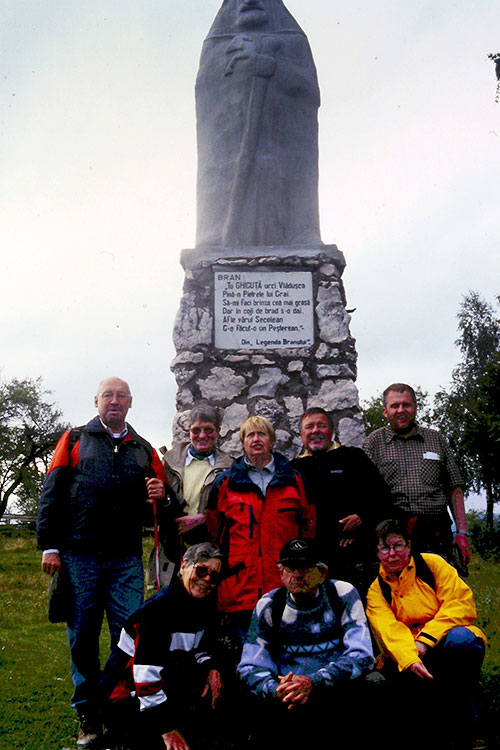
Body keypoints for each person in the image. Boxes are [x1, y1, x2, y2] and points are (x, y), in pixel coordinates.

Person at [37, 376, 176, 749]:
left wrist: (162, 496)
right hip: (78, 553)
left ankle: (119, 709)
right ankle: (87, 714)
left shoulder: (144, 450)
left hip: (124, 558)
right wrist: (50, 545)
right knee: (81, 634)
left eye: (121, 397)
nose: (114, 402)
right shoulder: (74, 440)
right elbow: (51, 492)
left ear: (130, 403)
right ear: (96, 401)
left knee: (129, 636)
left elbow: (164, 507)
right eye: (107, 396)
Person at [195, 0, 321, 248]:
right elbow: (206, 94)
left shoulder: (293, 41)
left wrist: (275, 69)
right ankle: (216, 229)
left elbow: (309, 92)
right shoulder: (217, 44)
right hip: (232, 143)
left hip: (282, 144)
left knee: (288, 174)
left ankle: (299, 231)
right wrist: (243, 73)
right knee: (221, 168)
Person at [238, 538, 381, 750]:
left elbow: (362, 655)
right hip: (288, 695)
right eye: (290, 568)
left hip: (334, 689)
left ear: (322, 573)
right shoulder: (269, 605)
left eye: (304, 567)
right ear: (281, 574)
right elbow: (250, 665)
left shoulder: (342, 593)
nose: (297, 575)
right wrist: (275, 689)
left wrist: (313, 682)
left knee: (375, 682)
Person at [366, 519, 486, 750]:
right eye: (385, 548)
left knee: (463, 641)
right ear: (378, 552)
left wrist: (425, 640)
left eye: (398, 545)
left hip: (444, 642)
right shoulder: (376, 590)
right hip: (409, 655)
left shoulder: (433, 565)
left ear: (409, 546)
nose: (392, 554)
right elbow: (389, 629)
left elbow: (460, 604)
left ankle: (469, 729)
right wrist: (411, 656)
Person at [100, 543, 224, 750]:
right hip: (124, 696)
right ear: (183, 566)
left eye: (214, 575)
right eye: (201, 571)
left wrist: (212, 669)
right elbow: (145, 678)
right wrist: (167, 730)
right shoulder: (157, 611)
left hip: (163, 687)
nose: (207, 580)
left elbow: (202, 648)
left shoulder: (204, 606)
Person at [206, 416, 315, 642]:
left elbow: (308, 528)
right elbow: (214, 531)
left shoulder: (295, 480)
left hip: (285, 585)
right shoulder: (225, 483)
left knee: (286, 654)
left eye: (262, 434)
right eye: (250, 435)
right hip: (241, 587)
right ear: (242, 442)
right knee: (247, 657)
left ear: (272, 440)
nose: (256, 439)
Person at [363, 383, 470, 567]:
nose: (401, 410)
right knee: (398, 592)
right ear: (385, 411)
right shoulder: (374, 442)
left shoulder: (436, 439)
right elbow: (363, 491)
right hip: (392, 535)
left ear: (416, 408)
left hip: (436, 533)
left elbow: (455, 487)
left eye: (406, 405)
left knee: (441, 588)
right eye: (394, 406)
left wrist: (461, 532)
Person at [292, 407, 391, 593]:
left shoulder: (354, 457)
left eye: (321, 426)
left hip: (357, 559)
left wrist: (363, 517)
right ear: (300, 435)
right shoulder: (293, 469)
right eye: (309, 427)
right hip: (315, 562)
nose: (315, 431)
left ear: (332, 431)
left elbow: (383, 497)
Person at [161, 404, 232, 545]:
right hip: (173, 542)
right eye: (196, 430)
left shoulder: (228, 468)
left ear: (218, 432)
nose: (202, 436)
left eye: (208, 430)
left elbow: (231, 510)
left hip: (211, 543)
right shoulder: (170, 463)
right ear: (189, 432)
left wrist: (203, 518)